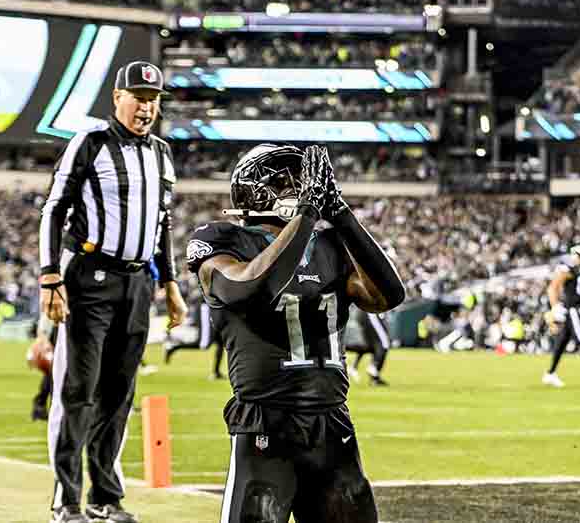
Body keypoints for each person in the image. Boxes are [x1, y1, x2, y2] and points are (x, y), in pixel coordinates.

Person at [186, 144, 405, 523]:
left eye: (302, 179)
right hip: (266, 425)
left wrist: (341, 213)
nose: (300, 186)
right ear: (253, 189)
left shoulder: (330, 244)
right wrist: (305, 215)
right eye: (285, 179)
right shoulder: (223, 241)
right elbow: (250, 287)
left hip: (332, 425)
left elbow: (388, 295)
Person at [39, 61, 187, 523]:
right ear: (117, 98)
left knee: (119, 393)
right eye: (138, 97)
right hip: (88, 277)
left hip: (138, 283)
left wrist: (171, 283)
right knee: (77, 392)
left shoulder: (162, 153)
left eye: (154, 99)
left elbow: (161, 225)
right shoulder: (90, 142)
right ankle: (66, 499)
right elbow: (53, 210)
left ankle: (105, 496)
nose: (146, 107)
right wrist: (50, 276)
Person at [542, 242, 580, 388]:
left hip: (576, 309)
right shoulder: (569, 268)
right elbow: (553, 287)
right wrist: (554, 306)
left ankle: (550, 373)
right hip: (571, 310)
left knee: (562, 342)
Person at [347, 307, 393, 386]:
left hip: (366, 312)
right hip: (371, 312)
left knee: (371, 346)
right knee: (384, 343)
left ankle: (355, 368)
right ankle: (374, 368)